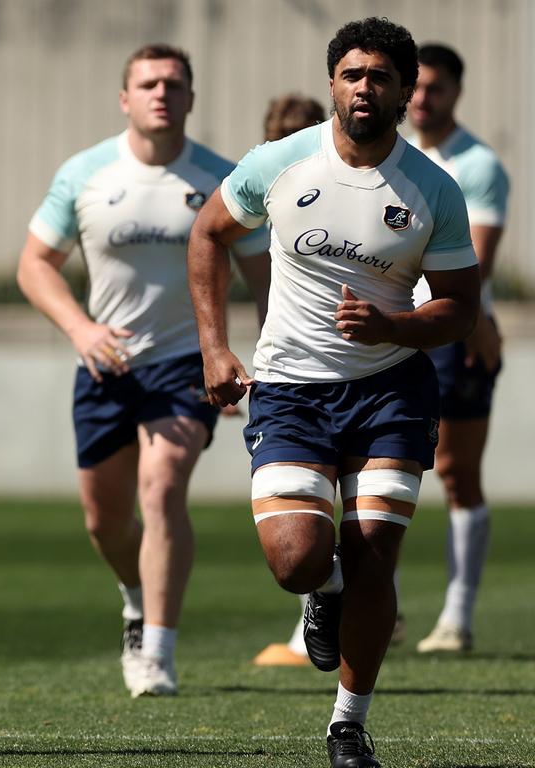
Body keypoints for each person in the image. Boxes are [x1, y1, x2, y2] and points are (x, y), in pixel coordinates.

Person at [187, 18, 479, 768]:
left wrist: (395, 323)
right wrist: (216, 347)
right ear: (332, 84)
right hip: (289, 390)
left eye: (380, 76)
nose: (364, 88)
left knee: (376, 546)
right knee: (297, 561)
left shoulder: (433, 190)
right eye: (352, 74)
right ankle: (327, 587)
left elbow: (460, 308)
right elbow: (209, 233)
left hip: (391, 392)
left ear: (407, 92)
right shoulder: (280, 163)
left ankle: (348, 725)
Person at [17, 43, 269, 698]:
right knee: (104, 520)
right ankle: (134, 595)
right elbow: (34, 264)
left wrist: (251, 358)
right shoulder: (85, 173)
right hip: (104, 366)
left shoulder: (223, 176)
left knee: (161, 489)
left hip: (184, 363)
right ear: (124, 98)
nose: (162, 93)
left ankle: (155, 649)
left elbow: (265, 279)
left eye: (174, 84)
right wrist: (81, 328)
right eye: (148, 84)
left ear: (191, 97)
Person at [407, 44, 510, 655]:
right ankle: (377, 609)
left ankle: (456, 616)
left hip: (452, 331)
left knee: (454, 473)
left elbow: (479, 260)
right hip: (391, 327)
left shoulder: (477, 165)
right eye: (415, 87)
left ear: (456, 93)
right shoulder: (385, 154)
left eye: (435, 88)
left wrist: (471, 318)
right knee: (369, 468)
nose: (422, 99)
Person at [249, 93, 327, 668]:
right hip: (286, 376)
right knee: (298, 515)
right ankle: (332, 600)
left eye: (299, 134)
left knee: (367, 503)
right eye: (278, 138)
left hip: (361, 368)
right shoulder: (260, 198)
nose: (286, 148)